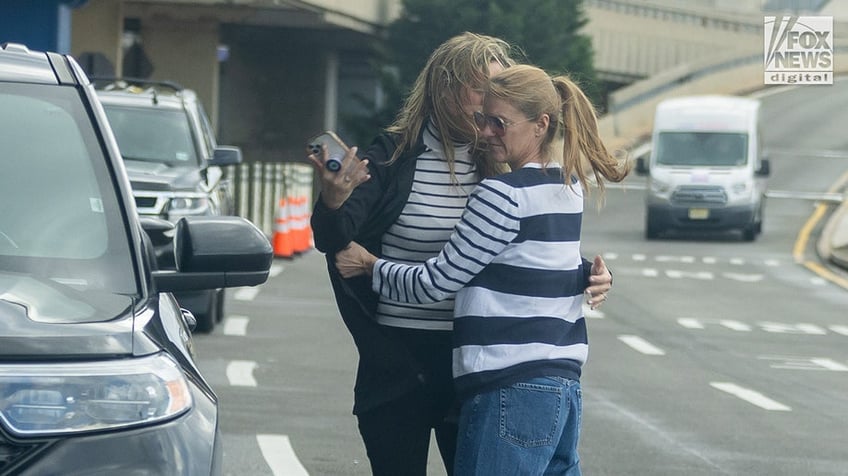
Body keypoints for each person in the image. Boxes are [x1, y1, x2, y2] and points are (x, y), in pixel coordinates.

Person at [308, 34, 614, 476]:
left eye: (500, 90)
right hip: (399, 361)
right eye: (482, 89)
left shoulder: (500, 161)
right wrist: (334, 199)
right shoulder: (396, 155)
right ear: (444, 89)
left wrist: (589, 274)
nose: (491, 103)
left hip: (473, 363)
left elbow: (531, 247)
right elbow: (337, 239)